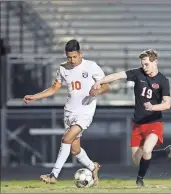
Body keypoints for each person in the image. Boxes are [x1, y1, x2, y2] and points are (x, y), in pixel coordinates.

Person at [23, 39, 109, 184]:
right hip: (69, 112)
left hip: (85, 111)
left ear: (81, 53)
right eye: (69, 57)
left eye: (75, 56)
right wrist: (35, 97)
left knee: (66, 139)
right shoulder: (63, 68)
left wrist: (98, 91)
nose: (72, 60)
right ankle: (92, 166)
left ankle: (53, 175)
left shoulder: (91, 66)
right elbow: (54, 89)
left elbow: (106, 86)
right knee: (75, 150)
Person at [93, 49, 171, 187]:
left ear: (155, 62)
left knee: (147, 150)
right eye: (143, 64)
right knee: (138, 159)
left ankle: (139, 180)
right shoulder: (138, 73)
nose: (144, 67)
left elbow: (167, 104)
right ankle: (163, 154)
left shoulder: (163, 81)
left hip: (154, 123)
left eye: (147, 64)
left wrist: (153, 107)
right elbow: (118, 75)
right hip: (138, 124)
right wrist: (100, 81)